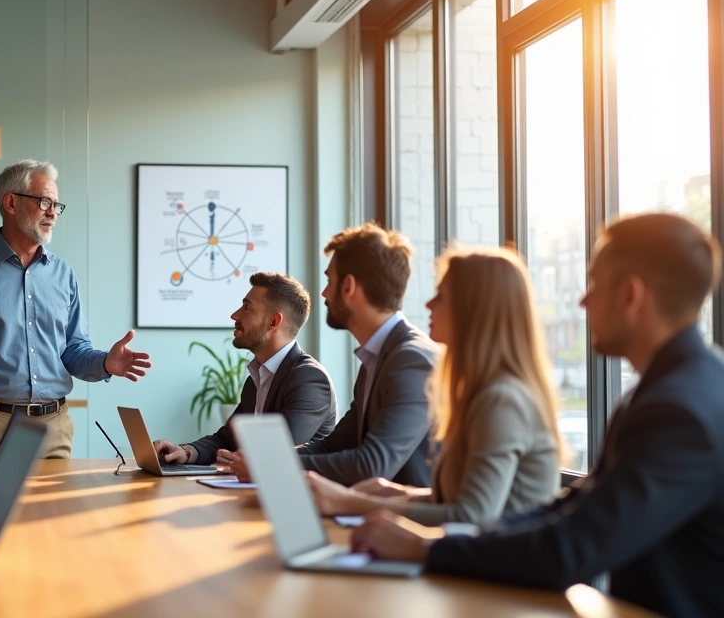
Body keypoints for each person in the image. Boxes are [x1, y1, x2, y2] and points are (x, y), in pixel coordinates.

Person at [351, 213, 724, 618]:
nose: (583, 301)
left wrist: (421, 547)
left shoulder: (679, 410)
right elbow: (573, 505)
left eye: (594, 283)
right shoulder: (674, 387)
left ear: (631, 295)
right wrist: (449, 534)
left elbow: (572, 548)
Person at [0, 159, 152, 458]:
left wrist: (105, 364)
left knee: (56, 506)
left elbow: (73, 350)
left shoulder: (63, 274)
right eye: (45, 201)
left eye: (57, 205)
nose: (52, 213)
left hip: (54, 425)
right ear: (11, 202)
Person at [305, 248, 563, 525]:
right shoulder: (481, 392)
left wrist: (350, 503)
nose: (428, 304)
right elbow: (462, 500)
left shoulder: (502, 399)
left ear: (473, 309)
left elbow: (470, 515)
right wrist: (400, 494)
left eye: (441, 295)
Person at [223, 223, 437, 486]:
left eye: (329, 280)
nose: (323, 293)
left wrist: (269, 463)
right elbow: (332, 446)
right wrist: (266, 457)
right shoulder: (378, 358)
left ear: (348, 287)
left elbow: (373, 464)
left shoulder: (411, 359)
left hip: (408, 522)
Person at [151, 272, 338, 465]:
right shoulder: (257, 378)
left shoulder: (309, 378)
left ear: (273, 322)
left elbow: (277, 451)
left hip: (295, 493)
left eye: (247, 307)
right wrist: (185, 452)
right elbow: (227, 439)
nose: (235, 315)